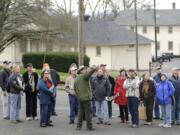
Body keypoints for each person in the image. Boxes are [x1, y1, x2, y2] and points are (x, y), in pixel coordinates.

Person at [74, 65, 97, 131]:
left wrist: (78, 95)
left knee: (80, 112)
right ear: (81, 71)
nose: (85, 70)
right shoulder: (84, 76)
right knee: (88, 113)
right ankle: (89, 127)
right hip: (86, 98)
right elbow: (89, 74)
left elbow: (75, 88)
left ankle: (79, 126)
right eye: (84, 69)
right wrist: (94, 69)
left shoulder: (77, 78)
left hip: (80, 98)